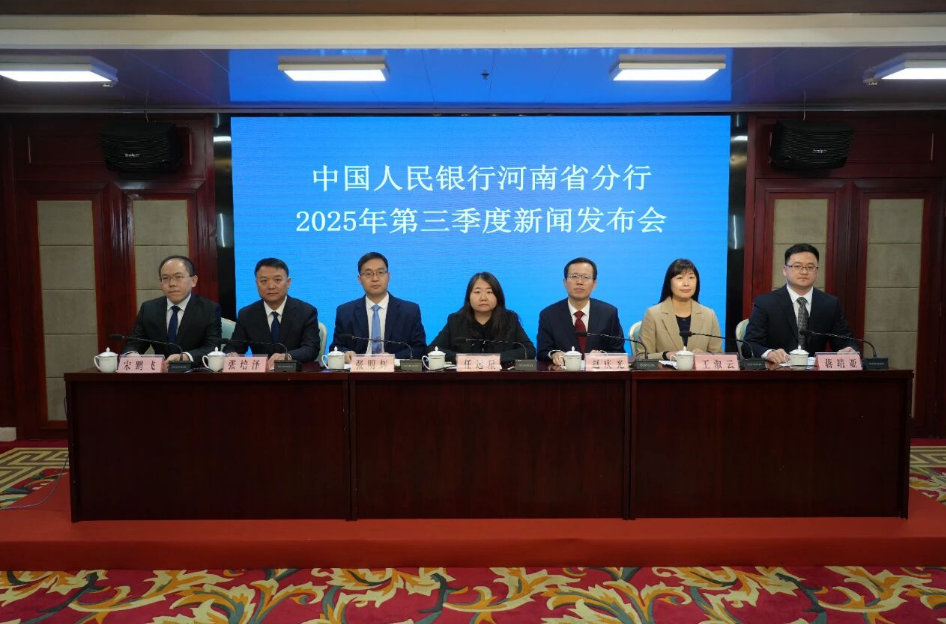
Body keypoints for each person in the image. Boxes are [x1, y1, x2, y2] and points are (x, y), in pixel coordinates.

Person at [744, 243, 858, 364]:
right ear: (785, 270)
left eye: (810, 267)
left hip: (816, 373)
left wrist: (850, 350)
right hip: (777, 371)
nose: (804, 271)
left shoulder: (830, 304)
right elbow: (749, 345)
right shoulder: (765, 303)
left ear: (817, 271)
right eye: (797, 266)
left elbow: (845, 341)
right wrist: (769, 353)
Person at [123, 255, 222, 366]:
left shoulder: (209, 309)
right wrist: (131, 354)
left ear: (193, 281)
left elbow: (213, 348)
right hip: (161, 373)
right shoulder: (148, 308)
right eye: (165, 278)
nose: (172, 284)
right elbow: (134, 343)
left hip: (195, 373)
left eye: (178, 277)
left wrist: (185, 357)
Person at [330, 252, 426, 361]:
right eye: (368, 274)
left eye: (380, 272)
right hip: (358, 369)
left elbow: (419, 348)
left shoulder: (409, 311)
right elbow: (335, 347)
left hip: (394, 370)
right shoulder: (345, 312)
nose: (375, 278)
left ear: (388, 276)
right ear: (359, 279)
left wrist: (393, 358)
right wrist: (345, 353)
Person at [227, 258, 320, 367]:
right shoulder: (246, 314)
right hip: (261, 375)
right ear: (257, 284)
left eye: (277, 280)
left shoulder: (306, 311)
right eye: (264, 281)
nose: (271, 286)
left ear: (288, 282)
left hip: (295, 374)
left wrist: (288, 356)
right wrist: (231, 354)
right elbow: (234, 347)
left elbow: (311, 348)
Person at [427, 272, 536, 364]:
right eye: (477, 292)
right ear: (469, 297)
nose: (483, 298)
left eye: (489, 292)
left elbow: (529, 350)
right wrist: (465, 359)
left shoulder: (510, 320)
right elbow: (432, 349)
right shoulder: (456, 320)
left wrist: (494, 359)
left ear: (498, 296)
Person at [536, 257, 625, 365]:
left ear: (594, 284)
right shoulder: (549, 315)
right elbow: (542, 352)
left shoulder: (608, 313)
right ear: (565, 282)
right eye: (574, 276)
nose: (579, 282)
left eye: (586, 277)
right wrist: (554, 354)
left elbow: (619, 351)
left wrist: (603, 355)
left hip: (598, 374)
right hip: (563, 374)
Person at [639, 258, 722, 360]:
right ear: (669, 282)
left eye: (691, 277)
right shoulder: (653, 314)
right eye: (679, 278)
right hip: (665, 370)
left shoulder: (709, 315)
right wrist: (665, 355)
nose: (686, 283)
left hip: (699, 370)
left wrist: (706, 356)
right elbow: (642, 357)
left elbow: (719, 357)